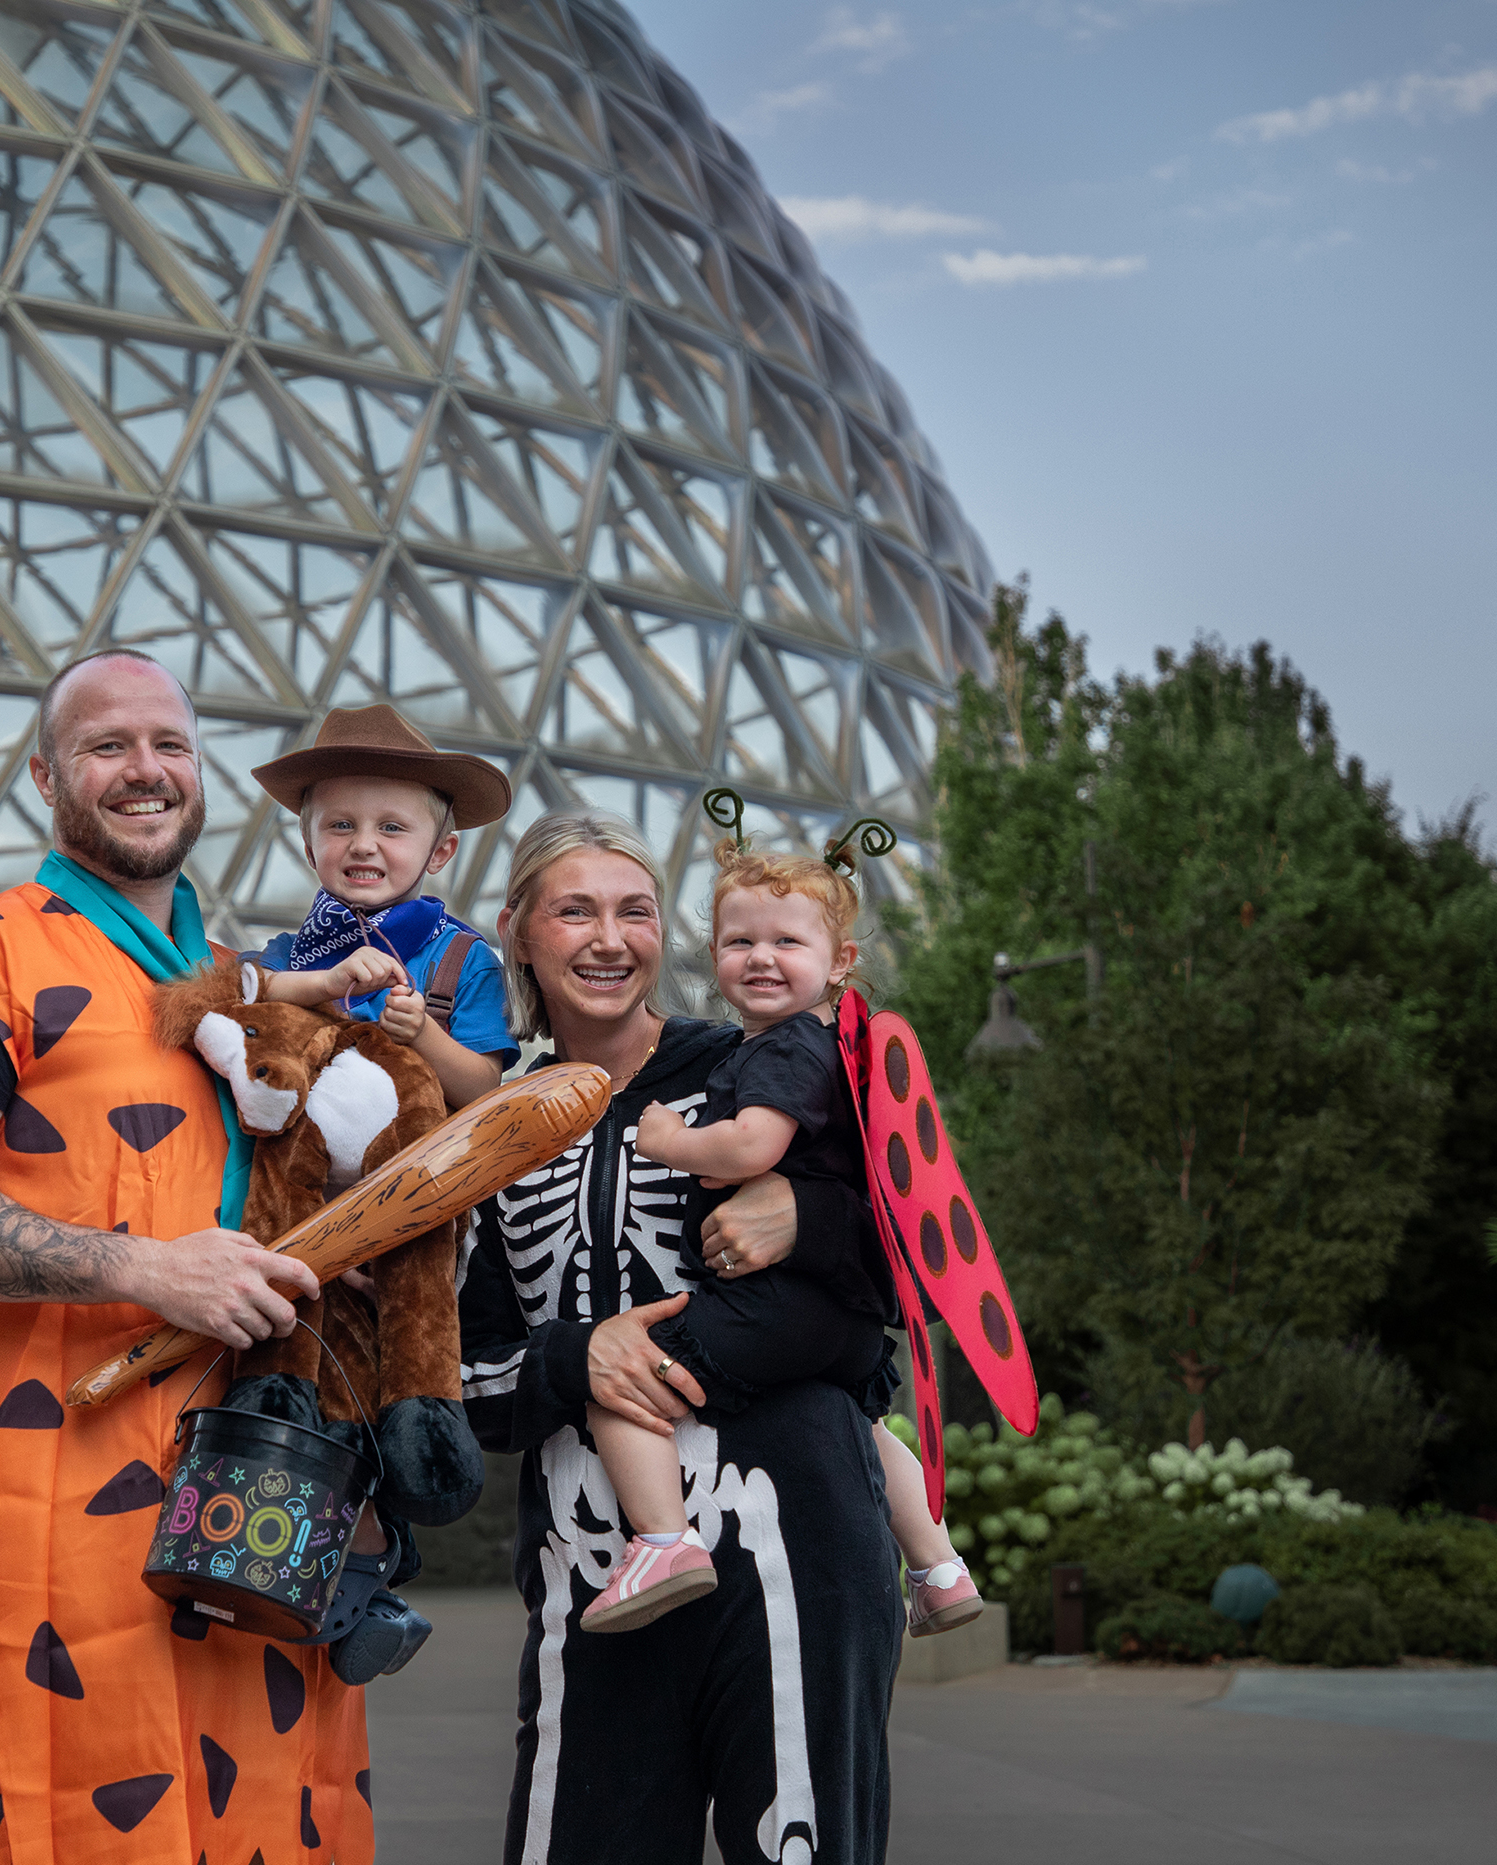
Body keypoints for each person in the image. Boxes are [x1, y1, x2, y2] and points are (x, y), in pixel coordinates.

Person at [0, 649, 369, 1864]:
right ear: (46, 774)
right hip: (78, 1467)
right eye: (108, 745)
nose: (146, 769)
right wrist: (146, 1268)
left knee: (285, 1792)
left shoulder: (243, 987)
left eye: (170, 745)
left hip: (273, 1459)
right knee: (99, 1798)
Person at [457, 809, 903, 1865]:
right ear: (520, 930)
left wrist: (816, 1215)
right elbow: (466, 1379)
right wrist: (578, 1354)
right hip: (594, 1575)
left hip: (803, 1540)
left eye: (636, 910)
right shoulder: (479, 1130)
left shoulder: (767, 1067)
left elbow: (900, 1290)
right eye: (576, 910)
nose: (609, 938)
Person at [582, 838, 982, 1637]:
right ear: (714, 953)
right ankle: (939, 1566)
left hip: (778, 1302)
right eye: (741, 941)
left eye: (786, 942)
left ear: (842, 961)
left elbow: (751, 1149)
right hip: (846, 1323)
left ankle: (663, 1541)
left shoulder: (786, 1045)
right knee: (870, 1432)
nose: (761, 958)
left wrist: (668, 1140)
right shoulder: (835, 1044)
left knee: (621, 1385)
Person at [241, 703, 522, 1111]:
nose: (363, 844)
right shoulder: (292, 952)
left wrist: (421, 1031)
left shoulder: (464, 961)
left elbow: (483, 1090)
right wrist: (326, 983)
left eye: (391, 827)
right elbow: (244, 992)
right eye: (340, 825)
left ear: (440, 852)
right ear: (309, 849)